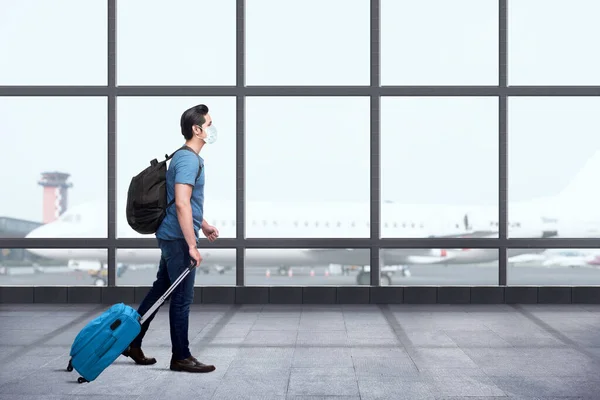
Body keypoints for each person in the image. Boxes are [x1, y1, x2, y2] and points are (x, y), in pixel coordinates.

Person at [122, 104, 219, 373]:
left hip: (171, 235)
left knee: (159, 292)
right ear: (196, 129)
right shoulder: (188, 159)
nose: (212, 129)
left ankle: (132, 342)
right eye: (209, 125)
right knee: (181, 299)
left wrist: (205, 224)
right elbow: (181, 204)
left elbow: (187, 202)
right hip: (177, 239)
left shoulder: (184, 157)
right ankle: (181, 357)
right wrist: (191, 245)